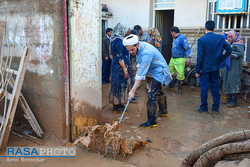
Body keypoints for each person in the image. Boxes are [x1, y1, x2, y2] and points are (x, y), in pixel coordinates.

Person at [123, 34, 172, 129]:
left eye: (132, 49)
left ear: (137, 45)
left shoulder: (146, 52)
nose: (131, 52)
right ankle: (163, 111)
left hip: (159, 72)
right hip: (153, 70)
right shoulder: (138, 48)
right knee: (158, 91)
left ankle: (152, 121)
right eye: (128, 50)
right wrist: (136, 75)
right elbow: (139, 64)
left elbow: (141, 76)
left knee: (151, 94)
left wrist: (132, 91)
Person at [195, 21, 232, 114]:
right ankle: (215, 107)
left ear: (205, 28)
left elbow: (200, 57)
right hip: (215, 66)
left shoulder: (202, 40)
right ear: (214, 28)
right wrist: (222, 58)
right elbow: (229, 49)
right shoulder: (220, 38)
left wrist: (197, 70)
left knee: (204, 87)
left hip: (204, 68)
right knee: (215, 86)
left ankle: (204, 107)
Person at [109, 23, 131, 113]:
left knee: (119, 83)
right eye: (126, 31)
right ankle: (116, 105)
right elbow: (119, 56)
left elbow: (112, 55)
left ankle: (120, 103)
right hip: (120, 67)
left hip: (117, 65)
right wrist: (124, 69)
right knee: (118, 84)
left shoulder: (114, 40)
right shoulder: (119, 41)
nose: (127, 32)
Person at [222, 30, 245, 107]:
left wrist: (230, 53)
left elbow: (240, 54)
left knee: (233, 81)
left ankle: (234, 100)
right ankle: (230, 98)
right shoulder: (230, 44)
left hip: (235, 65)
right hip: (229, 64)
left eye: (230, 37)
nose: (229, 39)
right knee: (228, 79)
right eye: (228, 37)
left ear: (234, 37)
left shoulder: (239, 44)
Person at [168, 26, 191, 95]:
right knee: (169, 72)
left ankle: (179, 90)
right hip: (173, 58)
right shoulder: (176, 38)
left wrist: (188, 57)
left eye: (171, 33)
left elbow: (187, 48)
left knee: (180, 75)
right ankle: (170, 86)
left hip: (180, 59)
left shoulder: (182, 38)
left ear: (173, 32)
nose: (171, 34)